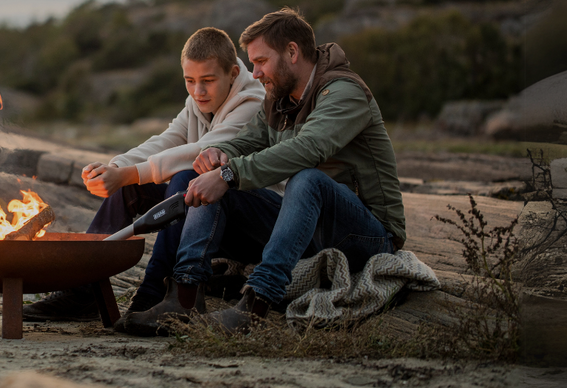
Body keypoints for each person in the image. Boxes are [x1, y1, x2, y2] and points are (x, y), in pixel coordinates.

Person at [117, 7, 407, 336]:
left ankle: (255, 304)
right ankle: (184, 297)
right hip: (301, 225)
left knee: (307, 178)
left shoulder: (344, 93)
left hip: (365, 233)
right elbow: (246, 142)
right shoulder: (278, 99)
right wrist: (220, 156)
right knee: (213, 178)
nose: (254, 73)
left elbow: (308, 149)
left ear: (292, 52)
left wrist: (229, 174)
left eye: (261, 61)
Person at [22, 27, 266, 322]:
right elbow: (167, 139)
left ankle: (153, 294)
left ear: (232, 73)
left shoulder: (253, 103)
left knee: (185, 177)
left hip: (257, 222)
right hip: (210, 215)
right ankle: (82, 289)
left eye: (208, 81)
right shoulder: (197, 103)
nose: (198, 91)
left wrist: (130, 173)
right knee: (131, 189)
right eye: (190, 81)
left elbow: (204, 152)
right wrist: (116, 168)